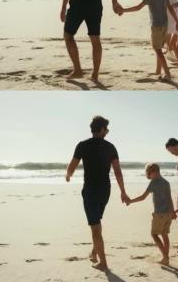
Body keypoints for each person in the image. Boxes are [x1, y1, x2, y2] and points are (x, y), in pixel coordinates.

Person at [65, 116, 129, 271]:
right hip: (105, 190)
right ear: (101, 129)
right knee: (97, 223)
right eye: (106, 129)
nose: (107, 131)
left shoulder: (82, 145)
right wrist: (123, 192)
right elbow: (118, 172)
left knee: (95, 227)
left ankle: (103, 263)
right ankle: (94, 253)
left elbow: (72, 166)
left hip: (90, 191)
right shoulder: (110, 147)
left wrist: (68, 175)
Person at [119, 0, 178, 81]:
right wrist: (176, 21)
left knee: (157, 50)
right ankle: (158, 70)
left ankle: (167, 73)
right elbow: (170, 8)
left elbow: (138, 8)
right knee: (160, 48)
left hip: (156, 26)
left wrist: (123, 10)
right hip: (165, 25)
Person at [126, 163, 176, 266]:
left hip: (159, 214)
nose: (148, 176)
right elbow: (169, 198)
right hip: (168, 214)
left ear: (154, 172)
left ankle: (165, 257)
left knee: (154, 235)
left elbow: (143, 197)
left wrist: (131, 201)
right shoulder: (166, 182)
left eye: (149, 173)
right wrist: (173, 212)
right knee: (165, 235)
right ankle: (166, 257)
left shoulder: (154, 183)